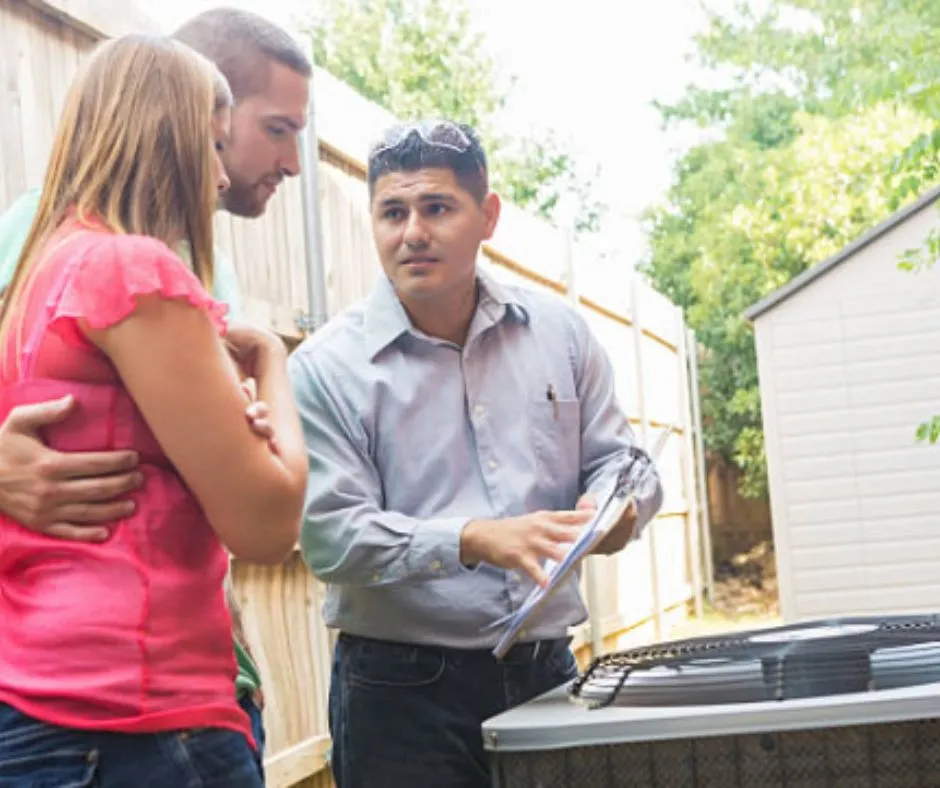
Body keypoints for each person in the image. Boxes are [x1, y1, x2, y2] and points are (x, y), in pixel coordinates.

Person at [288, 120, 665, 787]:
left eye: (437, 208)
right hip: (397, 692)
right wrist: (471, 538)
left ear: (487, 215)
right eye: (392, 212)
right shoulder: (325, 368)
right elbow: (331, 539)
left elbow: (623, 463)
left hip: (547, 669)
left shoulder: (561, 334)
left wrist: (618, 508)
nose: (412, 233)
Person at [0, 6, 313, 772]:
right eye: (214, 143)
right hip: (134, 716)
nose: (216, 173)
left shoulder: (46, 267)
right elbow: (267, 524)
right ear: (170, 134)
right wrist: (271, 362)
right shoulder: (134, 269)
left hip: (45, 690)